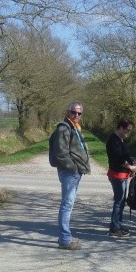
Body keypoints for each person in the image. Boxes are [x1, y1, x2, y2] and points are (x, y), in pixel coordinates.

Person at [50, 101, 91, 250]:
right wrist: (74, 168)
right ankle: (65, 239)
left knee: (68, 205)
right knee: (67, 205)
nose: (76, 115)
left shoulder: (74, 127)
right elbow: (61, 153)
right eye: (74, 112)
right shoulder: (64, 128)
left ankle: (65, 237)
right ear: (68, 112)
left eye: (79, 113)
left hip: (74, 172)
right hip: (69, 172)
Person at [105, 118, 136, 236]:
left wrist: (133, 161)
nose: (128, 133)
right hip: (117, 174)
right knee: (119, 201)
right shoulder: (114, 140)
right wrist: (130, 167)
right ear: (120, 128)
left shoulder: (120, 139)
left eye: (130, 131)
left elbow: (125, 155)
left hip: (122, 174)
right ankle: (114, 228)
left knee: (121, 201)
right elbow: (119, 159)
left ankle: (117, 224)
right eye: (127, 130)